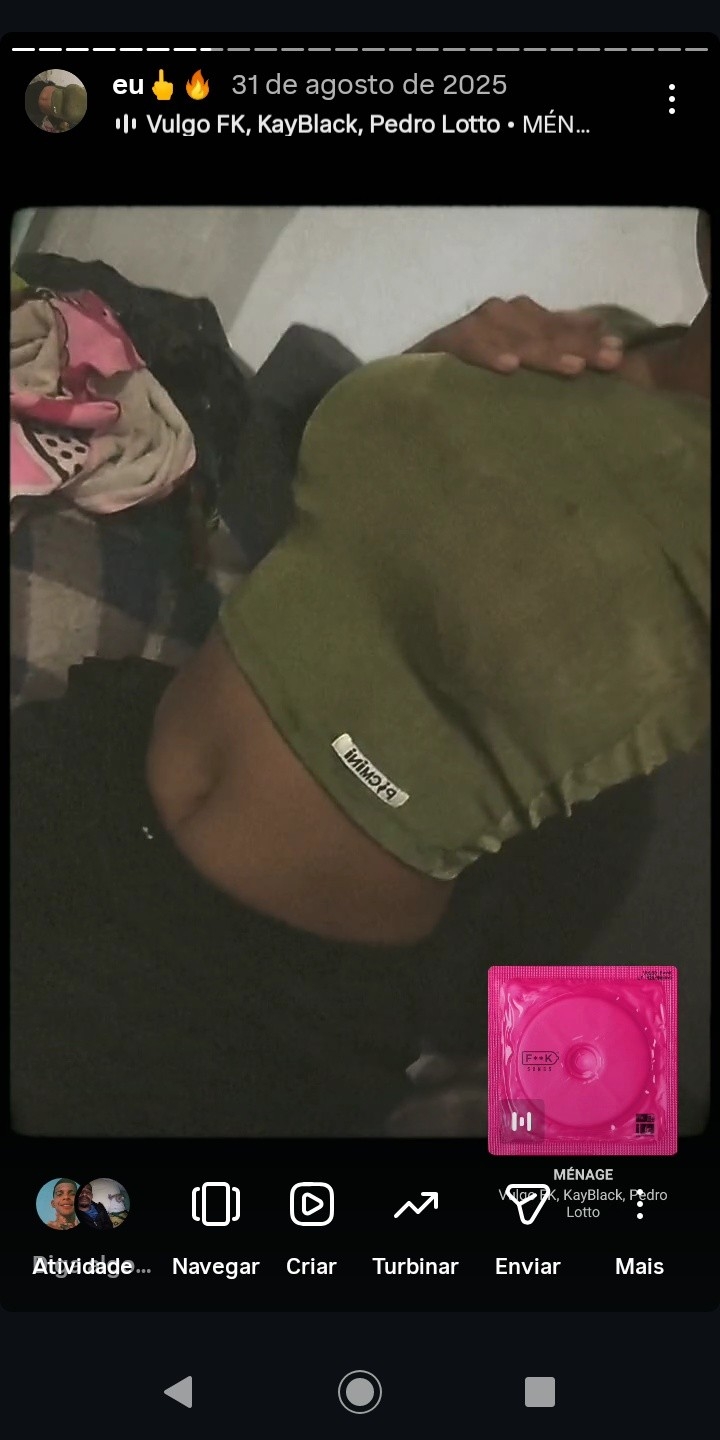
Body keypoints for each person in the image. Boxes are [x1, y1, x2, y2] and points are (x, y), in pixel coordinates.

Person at [11, 215, 709, 1138]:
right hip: (104, 764)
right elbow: (362, 541)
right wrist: (437, 359)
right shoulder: (610, 340)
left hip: (246, 999)